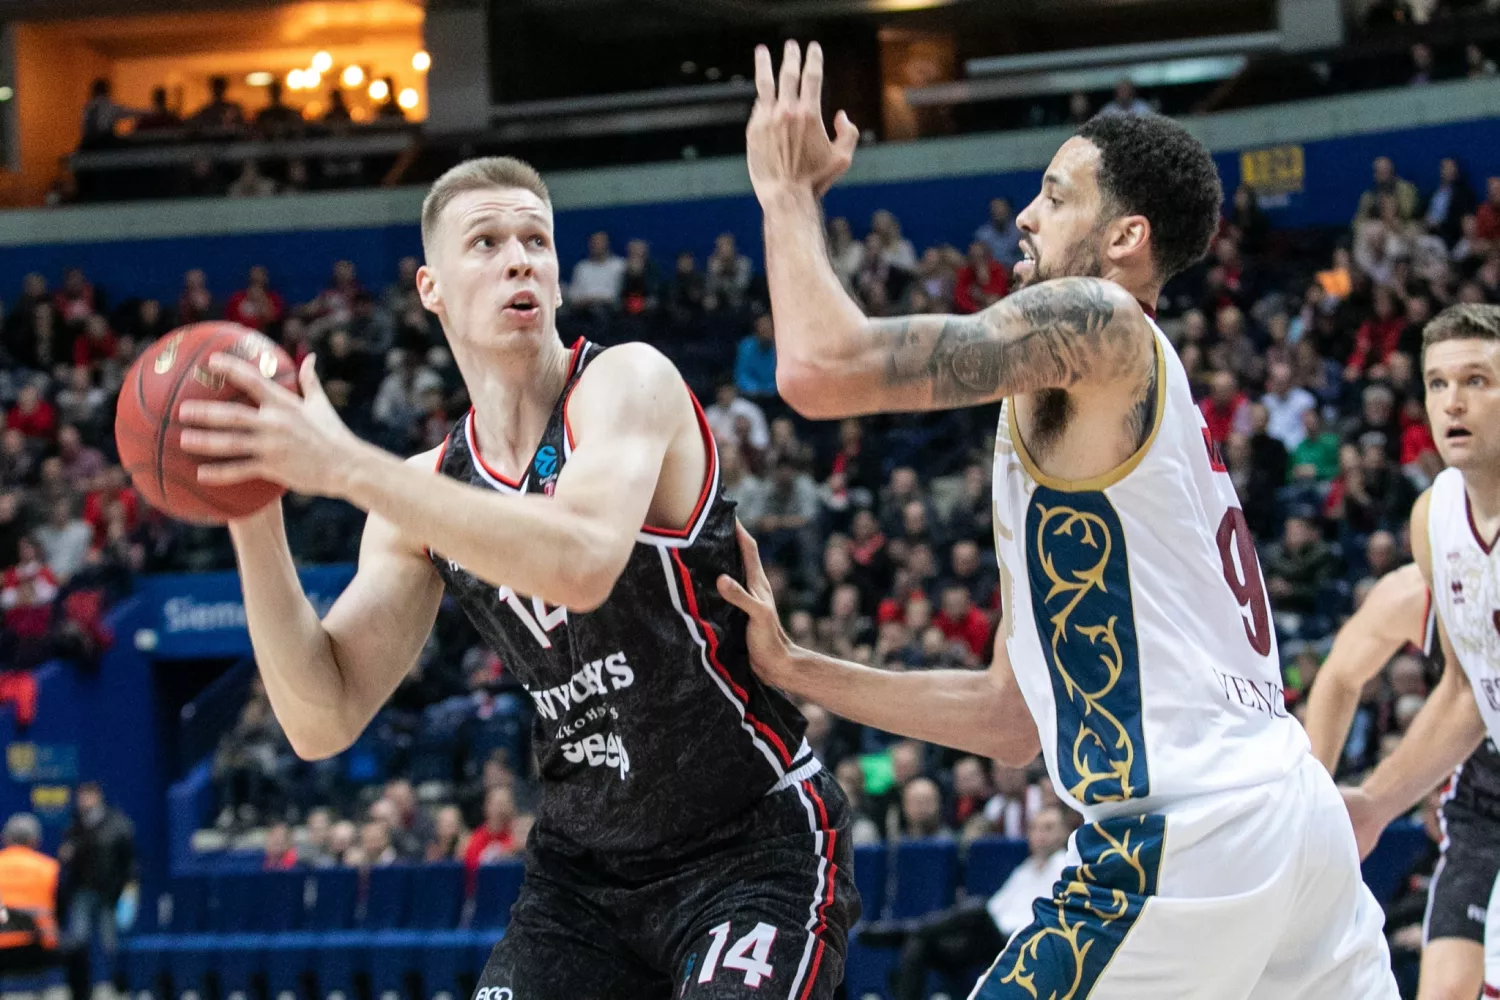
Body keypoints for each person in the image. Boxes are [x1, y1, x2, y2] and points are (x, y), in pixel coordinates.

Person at [732, 40, 1398, 997]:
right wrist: (797, 668)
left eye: (1054, 195)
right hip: (1291, 823)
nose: (1025, 215)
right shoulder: (1087, 419)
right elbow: (1011, 720)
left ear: (1125, 238)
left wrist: (785, 194)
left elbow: (816, 370)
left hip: (1193, 833)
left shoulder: (1102, 324)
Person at [176, 154, 857, 998]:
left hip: (750, 845)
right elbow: (323, 715)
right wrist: (248, 502)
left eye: (537, 240)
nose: (519, 260)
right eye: (487, 242)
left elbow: (581, 562)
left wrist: (347, 466)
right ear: (430, 288)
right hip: (583, 882)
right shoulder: (421, 493)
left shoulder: (626, 382)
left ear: (561, 276)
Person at [1345, 304, 1500, 1000]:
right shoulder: (1434, 517)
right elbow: (1469, 692)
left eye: (1477, 380)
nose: (1453, 402)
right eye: (1438, 383)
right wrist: (1376, 805)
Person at [1305, 561, 1500, 1000]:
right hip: (1481, 807)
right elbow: (1341, 674)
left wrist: (1376, 803)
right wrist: (1315, 794)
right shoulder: (1422, 590)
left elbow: (1466, 702)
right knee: (1445, 989)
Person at [862, 805, 1071, 1000]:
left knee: (977, 909)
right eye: (1035, 828)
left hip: (1023, 941)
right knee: (919, 942)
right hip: (991, 940)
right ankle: (913, 935)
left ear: (1065, 833)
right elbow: (996, 908)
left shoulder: (1065, 868)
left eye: (1048, 828)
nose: (1040, 835)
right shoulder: (1025, 869)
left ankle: (908, 929)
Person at [0, 814, 90, 1000]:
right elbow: (60, 911)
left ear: (5, 838)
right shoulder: (49, 868)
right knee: (78, 952)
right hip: (38, 951)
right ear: (35, 840)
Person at [58, 781, 136, 961]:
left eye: (87, 796)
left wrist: (128, 884)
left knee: (109, 940)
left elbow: (128, 857)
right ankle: (80, 975)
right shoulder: (75, 825)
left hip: (109, 890)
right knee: (78, 938)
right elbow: (69, 853)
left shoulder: (117, 824)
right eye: (80, 797)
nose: (83, 801)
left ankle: (113, 974)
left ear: (97, 796)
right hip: (82, 889)